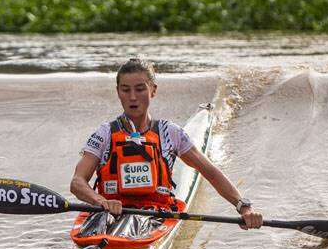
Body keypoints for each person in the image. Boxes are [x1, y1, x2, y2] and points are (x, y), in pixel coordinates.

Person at [70, 59, 263, 230]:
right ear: (118, 92)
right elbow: (77, 182)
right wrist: (101, 201)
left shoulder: (170, 133)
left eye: (140, 88)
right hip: (109, 216)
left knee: (134, 224)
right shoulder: (104, 134)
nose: (133, 97)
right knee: (107, 222)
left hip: (156, 217)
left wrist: (244, 207)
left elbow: (210, 172)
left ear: (153, 90)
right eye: (125, 90)